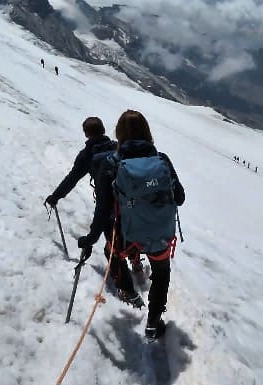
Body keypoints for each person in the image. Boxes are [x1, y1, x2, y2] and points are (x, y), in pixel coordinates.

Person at [77, 110, 185, 339]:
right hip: (160, 236)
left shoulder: (109, 164)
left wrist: (89, 239)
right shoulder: (162, 160)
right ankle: (154, 323)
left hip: (127, 238)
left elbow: (103, 209)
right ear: (147, 132)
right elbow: (180, 197)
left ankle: (128, 292)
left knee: (111, 252)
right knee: (162, 272)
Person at [45, 118, 143, 306]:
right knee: (131, 233)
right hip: (132, 203)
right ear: (104, 129)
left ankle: (129, 292)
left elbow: (72, 179)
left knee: (112, 249)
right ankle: (136, 262)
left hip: (108, 208)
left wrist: (55, 196)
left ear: (86, 134)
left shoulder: (87, 155)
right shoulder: (117, 147)